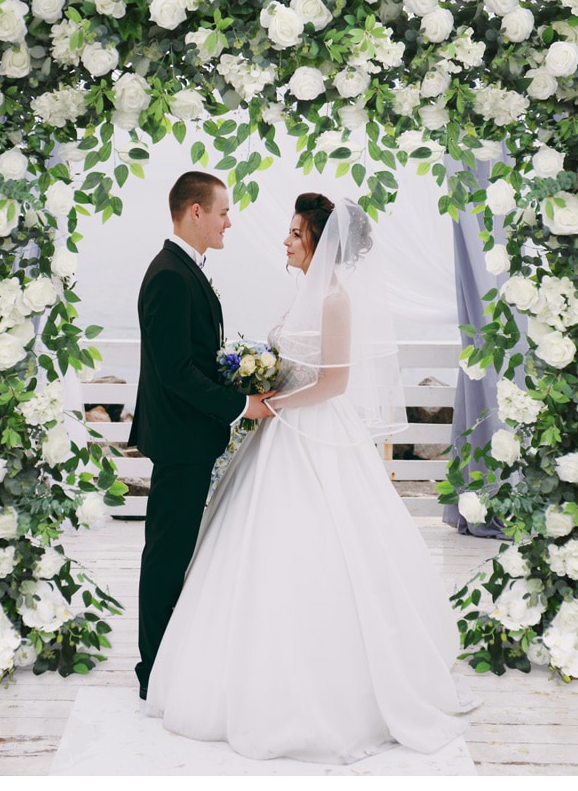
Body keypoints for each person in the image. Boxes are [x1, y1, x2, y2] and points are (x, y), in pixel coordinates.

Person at [145, 193, 478, 763]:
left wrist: (270, 406)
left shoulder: (335, 301)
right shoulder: (303, 294)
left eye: (295, 234)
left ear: (319, 245)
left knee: (327, 548)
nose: (286, 241)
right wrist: (257, 386)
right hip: (279, 428)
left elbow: (335, 384)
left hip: (312, 431)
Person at [130, 171, 275, 700]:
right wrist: (241, 404)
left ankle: (169, 662)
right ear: (196, 212)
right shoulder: (169, 274)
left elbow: (194, 358)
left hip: (191, 437)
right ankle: (153, 673)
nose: (228, 222)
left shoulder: (184, 269)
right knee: (167, 555)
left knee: (177, 552)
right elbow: (174, 370)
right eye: (222, 212)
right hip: (179, 440)